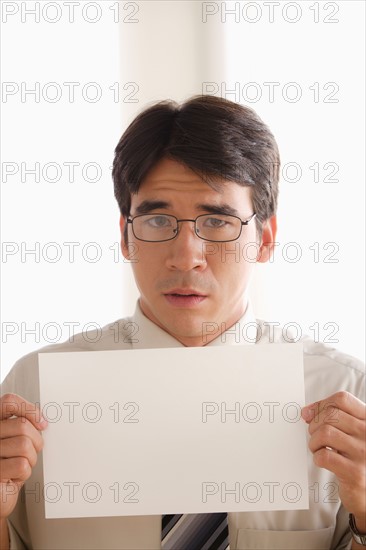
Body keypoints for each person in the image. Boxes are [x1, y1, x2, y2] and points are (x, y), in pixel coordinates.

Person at [0, 95, 365, 550]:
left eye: (217, 221)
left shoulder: (345, 394)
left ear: (265, 239)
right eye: (157, 219)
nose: (186, 257)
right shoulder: (32, 393)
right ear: (125, 236)